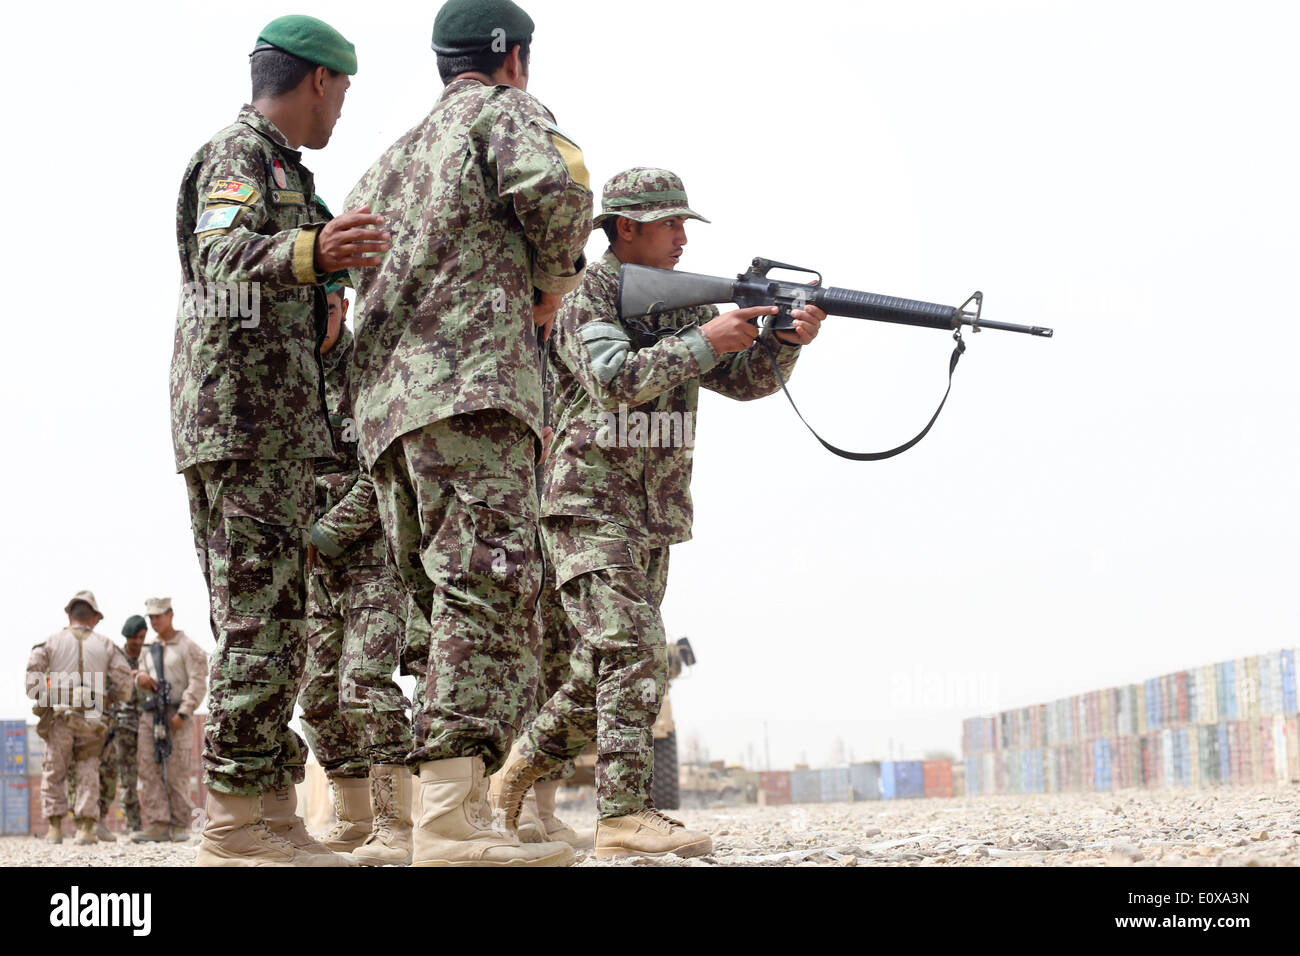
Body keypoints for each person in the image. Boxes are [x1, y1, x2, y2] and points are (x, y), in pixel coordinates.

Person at [498, 168, 823, 858]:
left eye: (684, 225)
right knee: (635, 653)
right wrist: (709, 337)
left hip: (653, 514)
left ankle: (519, 767)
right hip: (588, 505)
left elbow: (745, 382)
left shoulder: (676, 304)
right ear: (626, 229)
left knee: (606, 666)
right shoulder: (590, 297)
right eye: (670, 224)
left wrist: (785, 344)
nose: (682, 238)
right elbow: (614, 380)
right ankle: (622, 819)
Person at [344, 0, 591, 867]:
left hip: (389, 411)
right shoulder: (506, 112)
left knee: (441, 599)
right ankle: (451, 825)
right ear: (514, 58)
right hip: (474, 389)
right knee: (487, 588)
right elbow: (559, 194)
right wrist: (555, 284)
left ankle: (422, 819)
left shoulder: (385, 162)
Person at [170, 14, 388, 867]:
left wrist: (330, 284)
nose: (340, 111)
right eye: (342, 93)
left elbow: (313, 269)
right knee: (260, 623)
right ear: (318, 82)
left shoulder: (288, 174)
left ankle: (266, 807)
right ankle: (232, 821)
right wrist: (313, 251)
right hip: (241, 421)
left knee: (278, 622)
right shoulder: (238, 156)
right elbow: (221, 261)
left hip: (277, 425)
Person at [298, 282, 414, 865]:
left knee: (363, 684)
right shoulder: (288, 376)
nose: (320, 317)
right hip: (315, 572)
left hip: (372, 560)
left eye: (331, 306)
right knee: (317, 698)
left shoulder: (369, 371)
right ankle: (357, 816)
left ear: (345, 305)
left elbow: (383, 473)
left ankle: (398, 823)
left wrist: (325, 532)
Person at [26, 592, 133, 846]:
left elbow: (31, 683)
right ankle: (86, 829)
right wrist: (109, 700)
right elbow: (125, 685)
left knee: (54, 768)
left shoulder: (50, 643)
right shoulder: (107, 645)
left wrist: (49, 695)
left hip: (60, 714)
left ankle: (54, 829)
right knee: (88, 769)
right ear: (95, 617)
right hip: (94, 714)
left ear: (68, 615)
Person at [131, 598, 209, 843]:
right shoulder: (147, 649)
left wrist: (184, 713)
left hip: (177, 713)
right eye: (151, 618)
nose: (154, 622)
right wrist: (140, 678)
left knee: (178, 770)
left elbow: (198, 682)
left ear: (170, 614)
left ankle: (179, 825)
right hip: (150, 713)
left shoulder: (188, 647)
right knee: (147, 767)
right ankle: (157, 824)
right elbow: (139, 678)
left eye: (158, 616)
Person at [68, 615, 148, 841]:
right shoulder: (116, 657)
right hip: (117, 726)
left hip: (147, 723)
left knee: (141, 778)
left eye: (140, 638)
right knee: (112, 774)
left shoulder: (152, 657)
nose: (136, 643)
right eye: (132, 638)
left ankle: (153, 825)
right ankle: (95, 823)